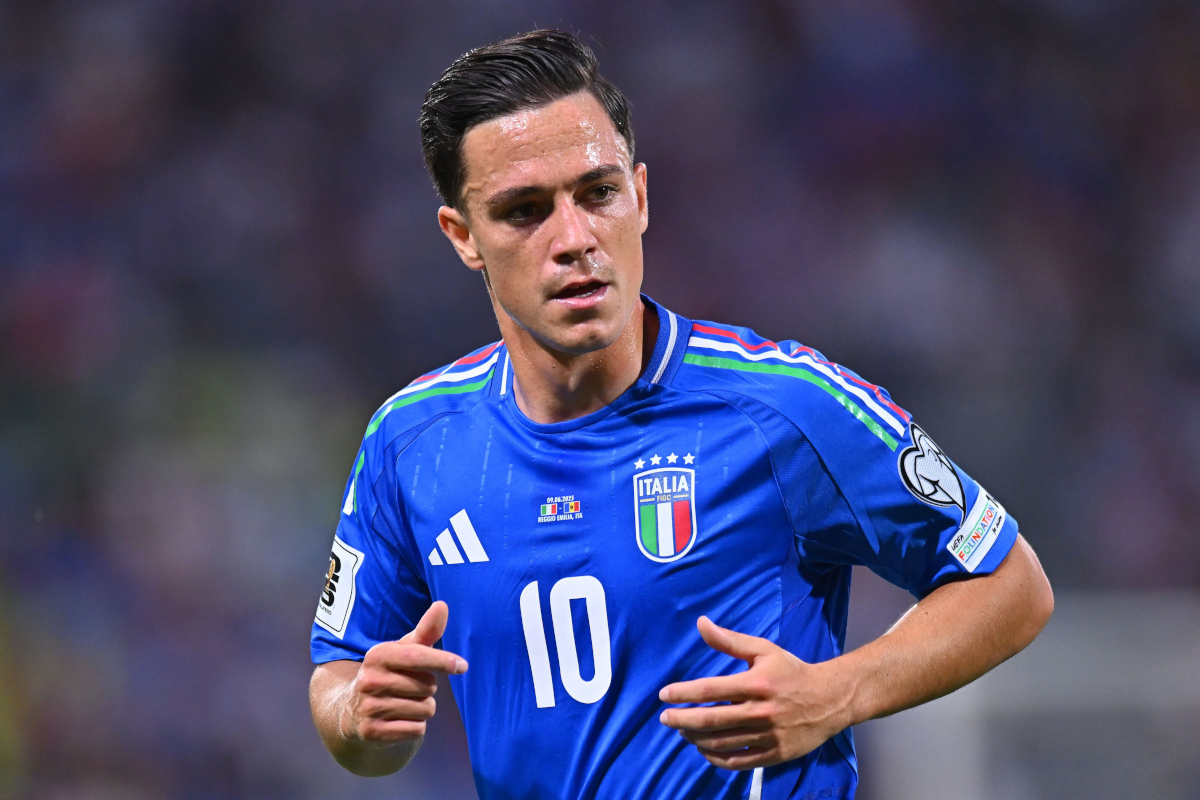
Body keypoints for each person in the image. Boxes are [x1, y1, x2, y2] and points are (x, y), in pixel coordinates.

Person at [308, 29, 1053, 800]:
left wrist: (840, 692)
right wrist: (357, 716)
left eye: (597, 194)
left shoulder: (782, 405)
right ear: (462, 237)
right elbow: (341, 680)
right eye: (524, 211)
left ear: (640, 196)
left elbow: (1010, 584)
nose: (574, 239)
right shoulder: (411, 443)